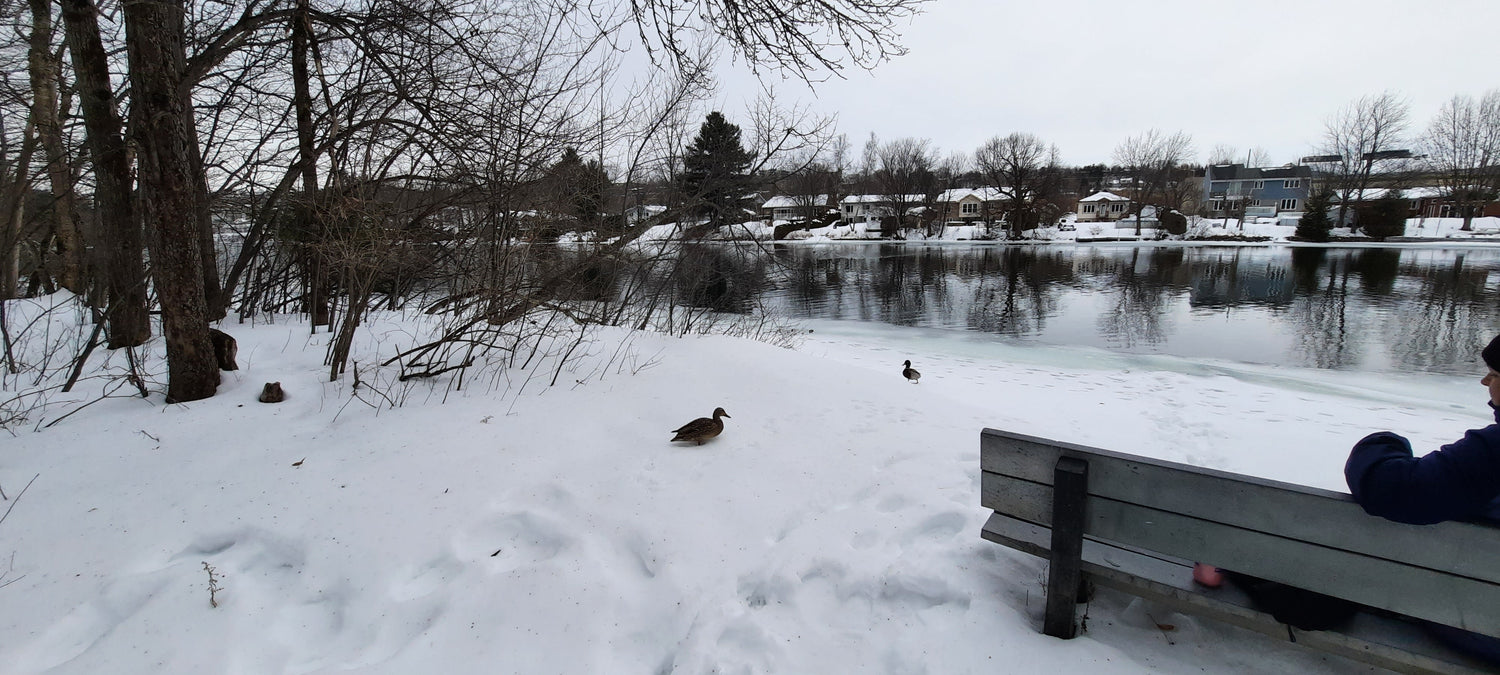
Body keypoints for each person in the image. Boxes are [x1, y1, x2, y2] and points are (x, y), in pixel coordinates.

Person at [1343, 332, 1500, 662]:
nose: (1484, 381)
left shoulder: (1492, 453)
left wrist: (1381, 443)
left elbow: (1393, 489)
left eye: (1496, 374)